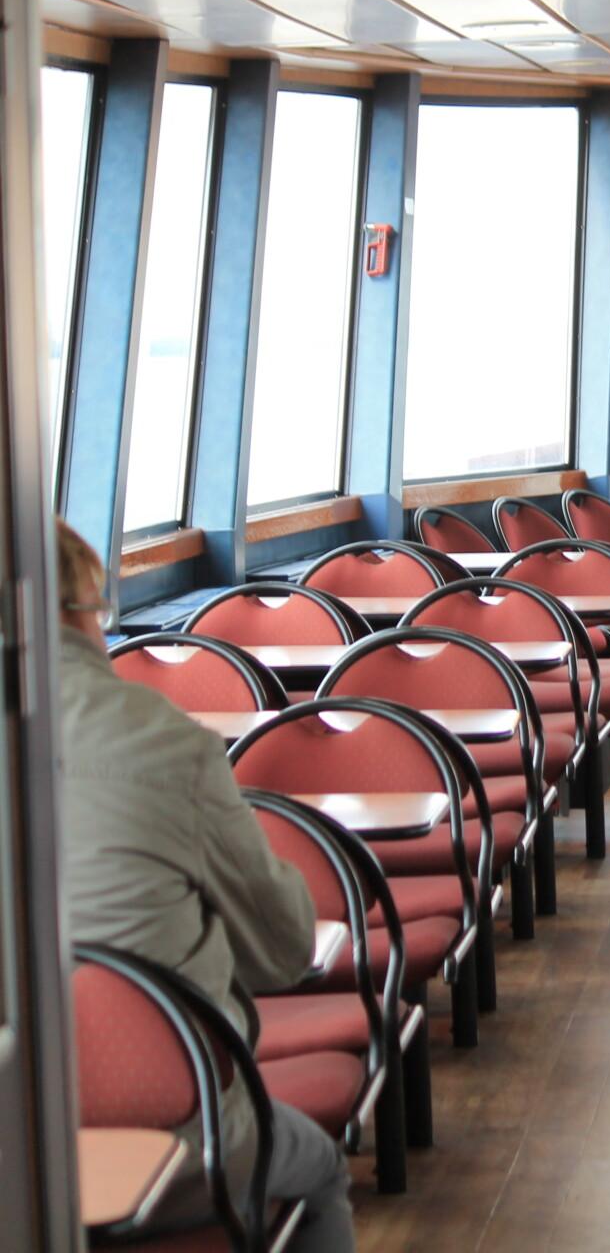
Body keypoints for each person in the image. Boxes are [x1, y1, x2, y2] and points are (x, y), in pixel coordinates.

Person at [54, 519, 355, 1251]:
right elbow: (284, 949)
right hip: (180, 1135)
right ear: (81, 612)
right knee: (319, 1169)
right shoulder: (163, 741)